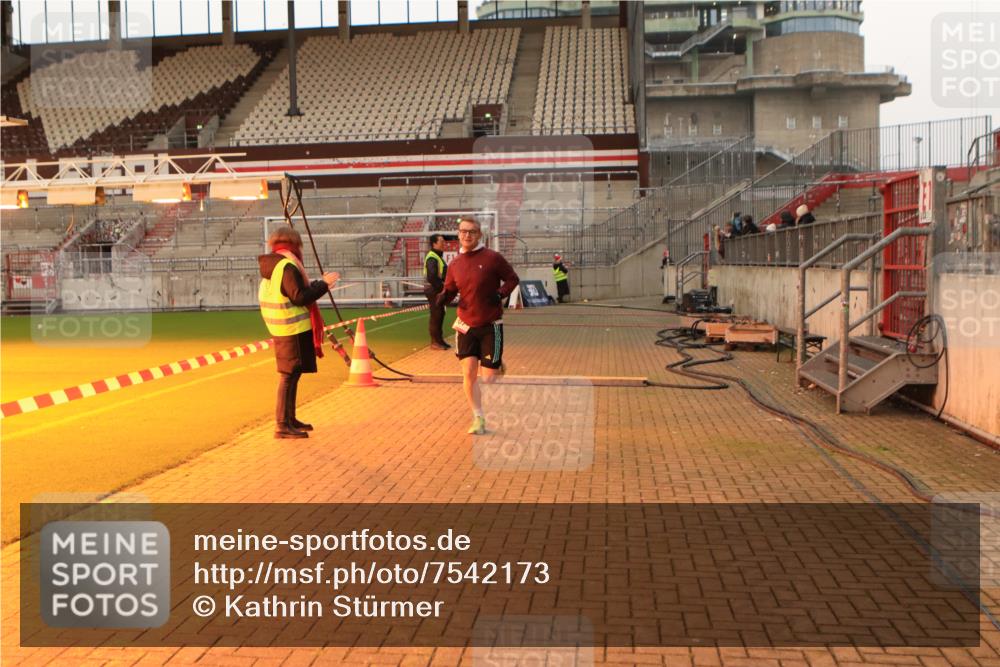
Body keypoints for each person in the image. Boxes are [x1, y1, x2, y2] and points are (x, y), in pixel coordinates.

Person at [437, 217, 520, 435]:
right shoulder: (454, 264)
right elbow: (451, 289)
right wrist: (443, 297)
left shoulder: (492, 258)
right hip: (465, 324)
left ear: (479, 235)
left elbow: (512, 279)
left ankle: (496, 365)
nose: (467, 235)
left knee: (489, 378)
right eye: (463, 231)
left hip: (491, 324)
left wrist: (500, 294)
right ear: (458, 235)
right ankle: (478, 417)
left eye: (472, 232)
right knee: (468, 372)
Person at [258, 227, 339, 439]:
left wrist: (318, 285)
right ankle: (282, 425)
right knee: (288, 376)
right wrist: (324, 284)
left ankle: (289, 419)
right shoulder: (287, 266)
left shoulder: (274, 265)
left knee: (292, 375)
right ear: (295, 244)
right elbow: (299, 297)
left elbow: (293, 293)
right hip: (291, 329)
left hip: (284, 327)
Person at [423, 233, 450, 350]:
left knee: (440, 314)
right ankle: (435, 342)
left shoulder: (437, 256)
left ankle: (439, 340)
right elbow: (432, 277)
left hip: (436, 289)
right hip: (434, 290)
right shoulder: (432, 257)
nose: (444, 244)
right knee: (436, 315)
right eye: (442, 242)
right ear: (434, 243)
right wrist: (442, 289)